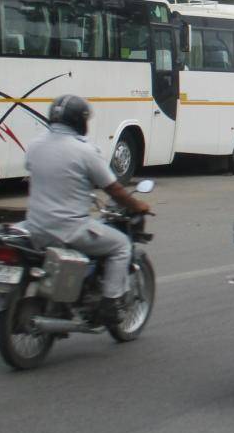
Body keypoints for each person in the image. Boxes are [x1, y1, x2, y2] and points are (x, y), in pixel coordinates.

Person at [24, 95, 151, 326]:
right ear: (79, 121)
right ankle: (110, 303)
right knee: (121, 244)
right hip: (69, 230)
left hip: (34, 228)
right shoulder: (86, 151)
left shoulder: (34, 146)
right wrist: (138, 205)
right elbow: (114, 190)